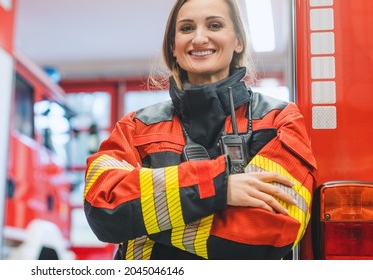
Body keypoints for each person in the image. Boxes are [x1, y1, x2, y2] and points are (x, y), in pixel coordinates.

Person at [83, 0, 317, 260]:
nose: (199, 38)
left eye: (214, 25)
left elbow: (271, 233)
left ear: (238, 41)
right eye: (186, 28)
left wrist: (142, 219)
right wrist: (219, 187)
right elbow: (102, 208)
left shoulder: (279, 120)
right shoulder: (135, 127)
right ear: (173, 46)